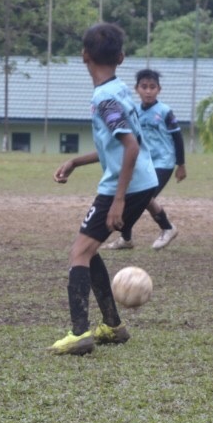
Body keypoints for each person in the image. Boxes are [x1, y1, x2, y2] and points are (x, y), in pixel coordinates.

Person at [48, 23, 160, 355]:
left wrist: (118, 200)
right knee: (89, 250)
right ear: (121, 58)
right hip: (143, 181)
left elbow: (130, 147)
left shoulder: (104, 98)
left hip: (124, 187)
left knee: (78, 254)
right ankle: (112, 325)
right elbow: (122, 143)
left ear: (84, 56)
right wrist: (76, 162)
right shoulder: (121, 91)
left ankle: (79, 334)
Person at [103, 68, 185, 250]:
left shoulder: (165, 111)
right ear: (137, 88)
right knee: (135, 197)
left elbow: (178, 138)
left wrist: (181, 164)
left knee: (143, 198)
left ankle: (167, 228)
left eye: (152, 87)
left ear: (159, 89)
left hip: (163, 162)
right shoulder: (134, 111)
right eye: (144, 87)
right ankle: (127, 238)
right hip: (143, 162)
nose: (148, 91)